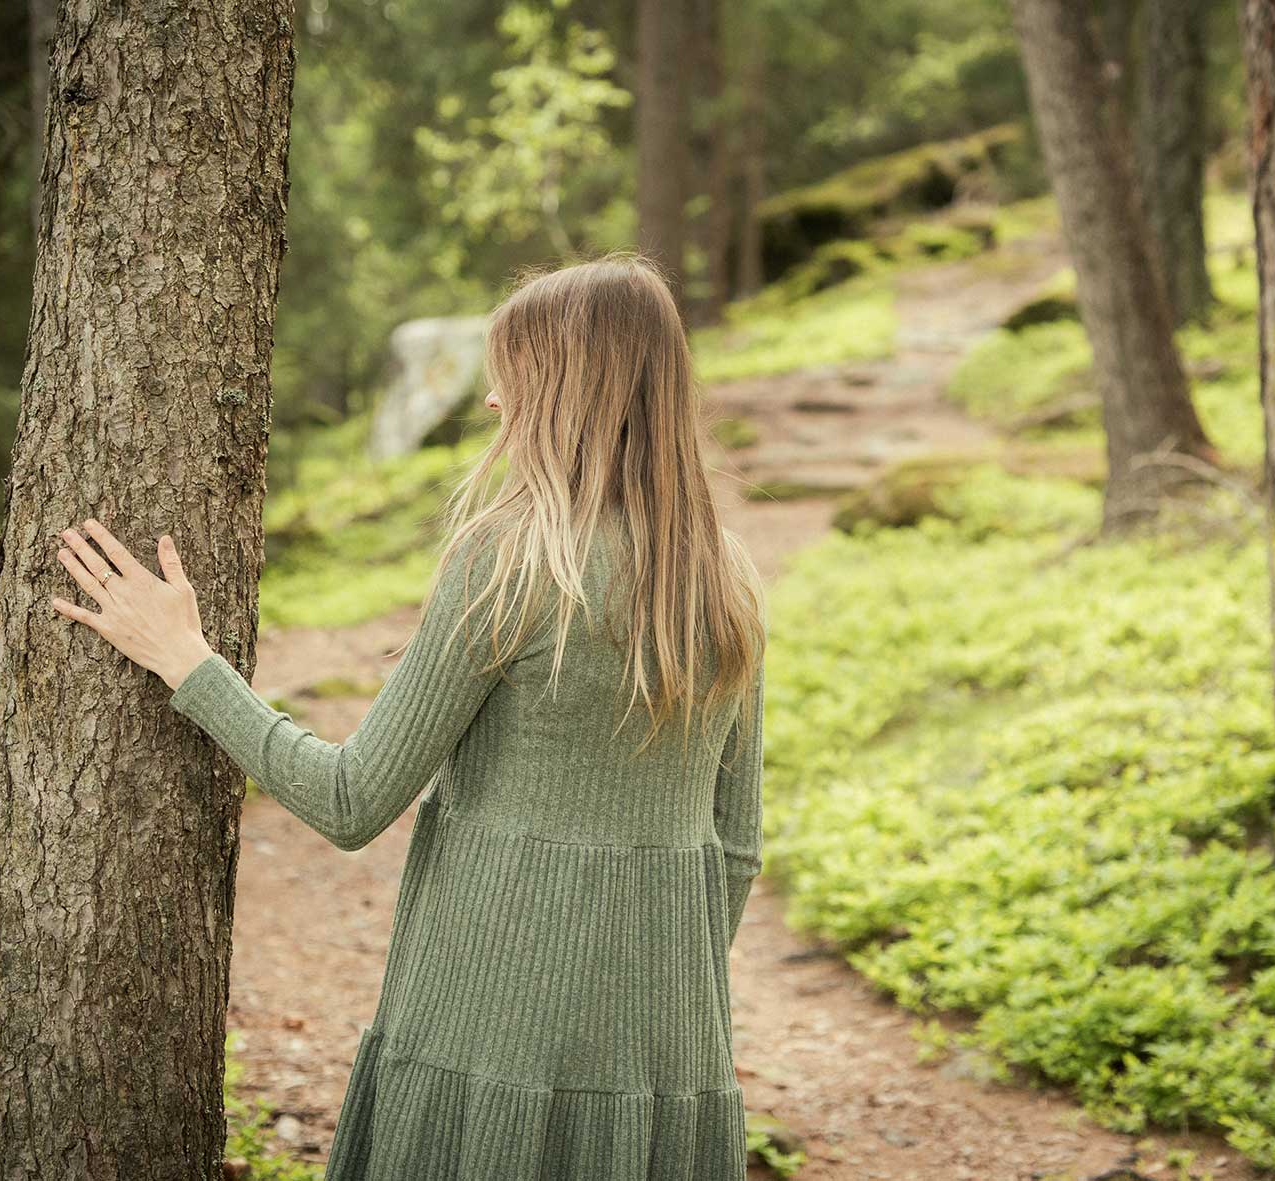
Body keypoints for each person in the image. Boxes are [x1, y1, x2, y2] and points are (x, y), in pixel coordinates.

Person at [48, 251, 768, 1179]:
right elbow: (735, 846)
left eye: (513, 380)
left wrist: (188, 661)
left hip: (483, 1029)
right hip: (671, 1046)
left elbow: (351, 800)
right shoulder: (726, 579)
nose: (492, 405)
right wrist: (638, 997)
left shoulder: (508, 566)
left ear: (565, 393)